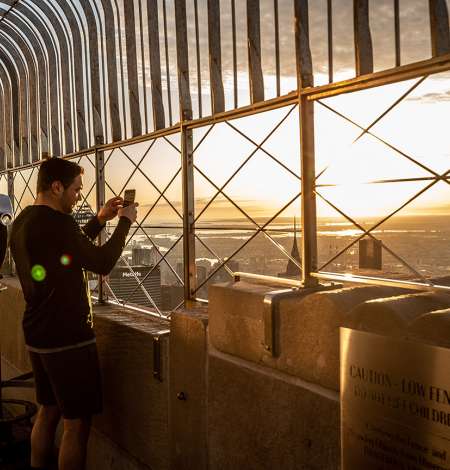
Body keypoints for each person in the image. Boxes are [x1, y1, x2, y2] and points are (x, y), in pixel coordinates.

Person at [9, 157, 138, 470]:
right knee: (76, 425)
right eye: (76, 190)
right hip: (68, 338)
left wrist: (100, 219)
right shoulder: (59, 224)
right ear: (57, 187)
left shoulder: (23, 220)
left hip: (38, 334)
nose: (79, 195)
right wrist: (125, 222)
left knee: (48, 410)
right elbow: (101, 262)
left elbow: (66, 253)